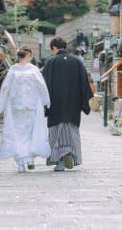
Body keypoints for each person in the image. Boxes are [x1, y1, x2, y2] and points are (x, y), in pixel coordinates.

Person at [0, 45, 51, 173]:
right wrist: (46, 101)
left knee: (18, 133)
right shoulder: (34, 70)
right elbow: (42, 86)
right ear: (29, 55)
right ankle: (30, 159)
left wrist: (0, 107)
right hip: (30, 105)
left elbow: (4, 89)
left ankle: (21, 163)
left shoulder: (13, 70)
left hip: (16, 106)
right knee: (30, 133)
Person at [42, 36, 93, 171]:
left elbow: (44, 85)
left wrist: (44, 104)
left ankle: (60, 160)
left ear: (54, 48)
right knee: (71, 131)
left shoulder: (50, 62)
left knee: (56, 132)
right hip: (73, 106)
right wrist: (84, 103)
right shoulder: (76, 62)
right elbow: (84, 83)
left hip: (55, 106)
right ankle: (70, 154)